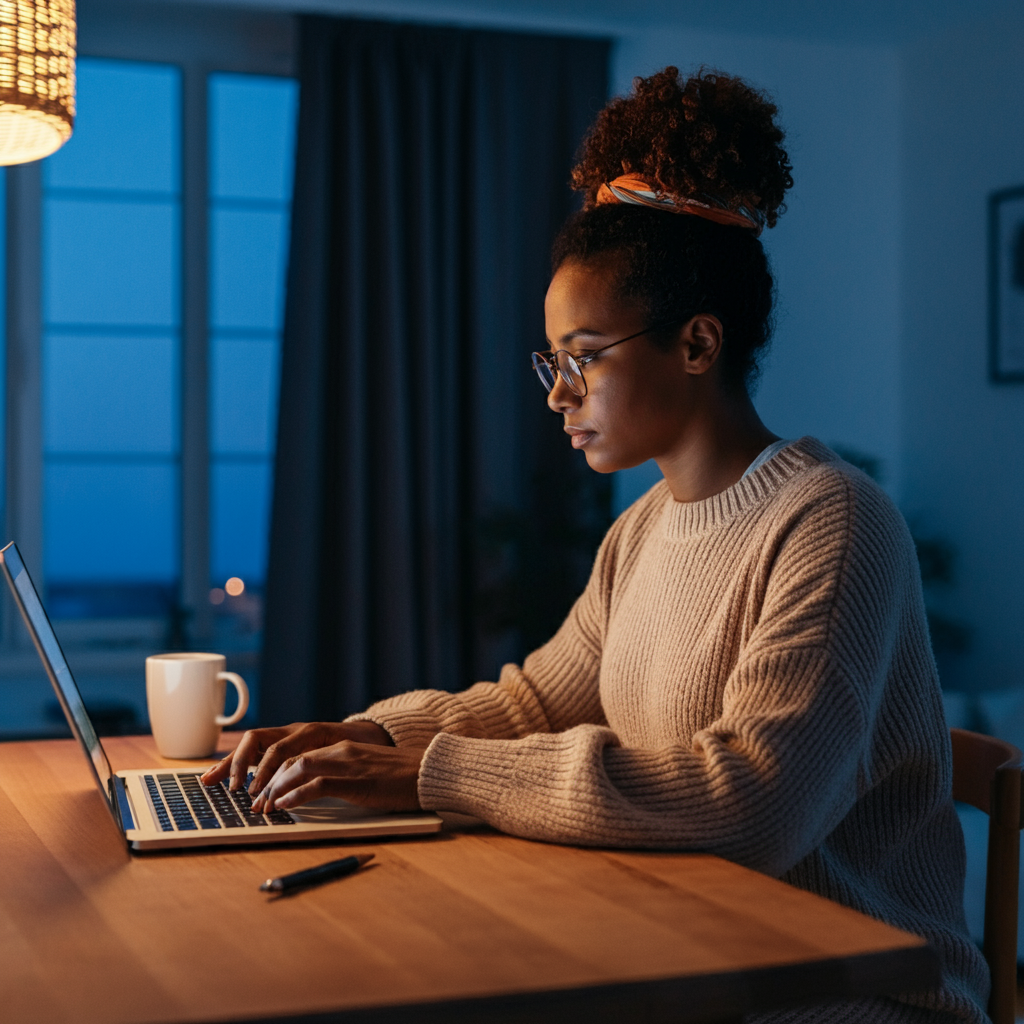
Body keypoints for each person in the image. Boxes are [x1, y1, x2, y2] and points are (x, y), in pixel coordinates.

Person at [203, 67, 988, 1023]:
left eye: (582, 358)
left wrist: (431, 772)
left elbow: (755, 803)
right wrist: (366, 737)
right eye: (553, 361)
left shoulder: (833, 521)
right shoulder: (643, 529)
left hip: (849, 996)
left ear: (697, 345)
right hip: (692, 949)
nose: (556, 394)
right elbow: (534, 701)